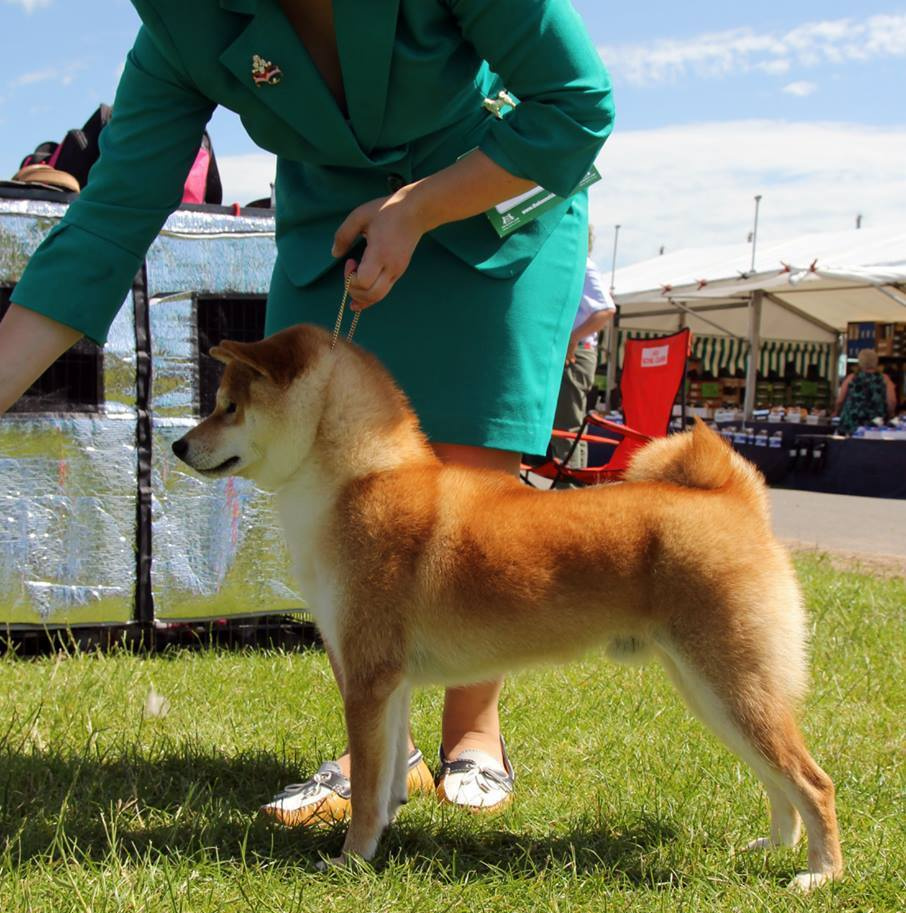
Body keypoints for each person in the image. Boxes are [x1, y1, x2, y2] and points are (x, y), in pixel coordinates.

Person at [0, 0, 613, 823]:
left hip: (492, 184)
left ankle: (474, 731)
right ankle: (381, 749)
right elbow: (108, 222)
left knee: (471, 468)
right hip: (334, 218)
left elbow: (576, 101)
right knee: (333, 488)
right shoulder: (181, 21)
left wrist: (420, 208)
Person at [550, 226, 615, 479]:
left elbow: (606, 310)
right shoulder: (577, 266)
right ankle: (571, 483)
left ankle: (569, 485)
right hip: (576, 351)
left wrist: (572, 338)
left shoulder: (584, 266)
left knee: (567, 425)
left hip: (576, 353)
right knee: (568, 425)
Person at [834, 349, 896, 435]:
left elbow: (840, 401)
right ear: (876, 361)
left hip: (851, 423)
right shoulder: (885, 379)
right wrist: (891, 415)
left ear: (860, 362)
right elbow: (892, 401)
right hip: (875, 424)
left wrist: (836, 413)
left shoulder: (851, 378)